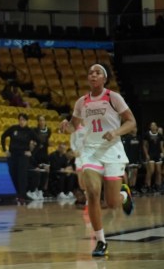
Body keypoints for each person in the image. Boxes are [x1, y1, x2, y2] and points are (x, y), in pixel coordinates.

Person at [59, 63, 136, 257]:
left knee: (111, 203)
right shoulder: (81, 102)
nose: (93, 75)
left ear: (104, 78)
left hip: (112, 149)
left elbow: (131, 122)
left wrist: (116, 132)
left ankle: (124, 195)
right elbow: (73, 126)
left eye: (97, 72)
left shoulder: (113, 97)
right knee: (92, 192)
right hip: (91, 151)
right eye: (90, 73)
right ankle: (101, 241)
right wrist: (64, 126)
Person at [1, 113, 38, 205]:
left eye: (23, 120)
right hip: (12, 155)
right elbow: (3, 136)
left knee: (22, 176)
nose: (21, 121)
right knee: (13, 174)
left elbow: (39, 142)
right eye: (20, 119)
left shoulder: (30, 131)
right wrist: (5, 149)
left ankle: (22, 195)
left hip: (23, 156)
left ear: (26, 121)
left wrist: (31, 152)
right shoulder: (14, 128)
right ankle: (13, 194)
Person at [142, 121, 163, 193]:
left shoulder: (160, 135)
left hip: (158, 155)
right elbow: (144, 145)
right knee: (151, 171)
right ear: (150, 127)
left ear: (157, 127)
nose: (153, 126)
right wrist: (146, 154)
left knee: (159, 171)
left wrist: (163, 152)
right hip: (150, 154)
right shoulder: (147, 134)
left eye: (155, 125)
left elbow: (161, 145)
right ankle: (147, 186)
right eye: (152, 125)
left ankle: (158, 186)